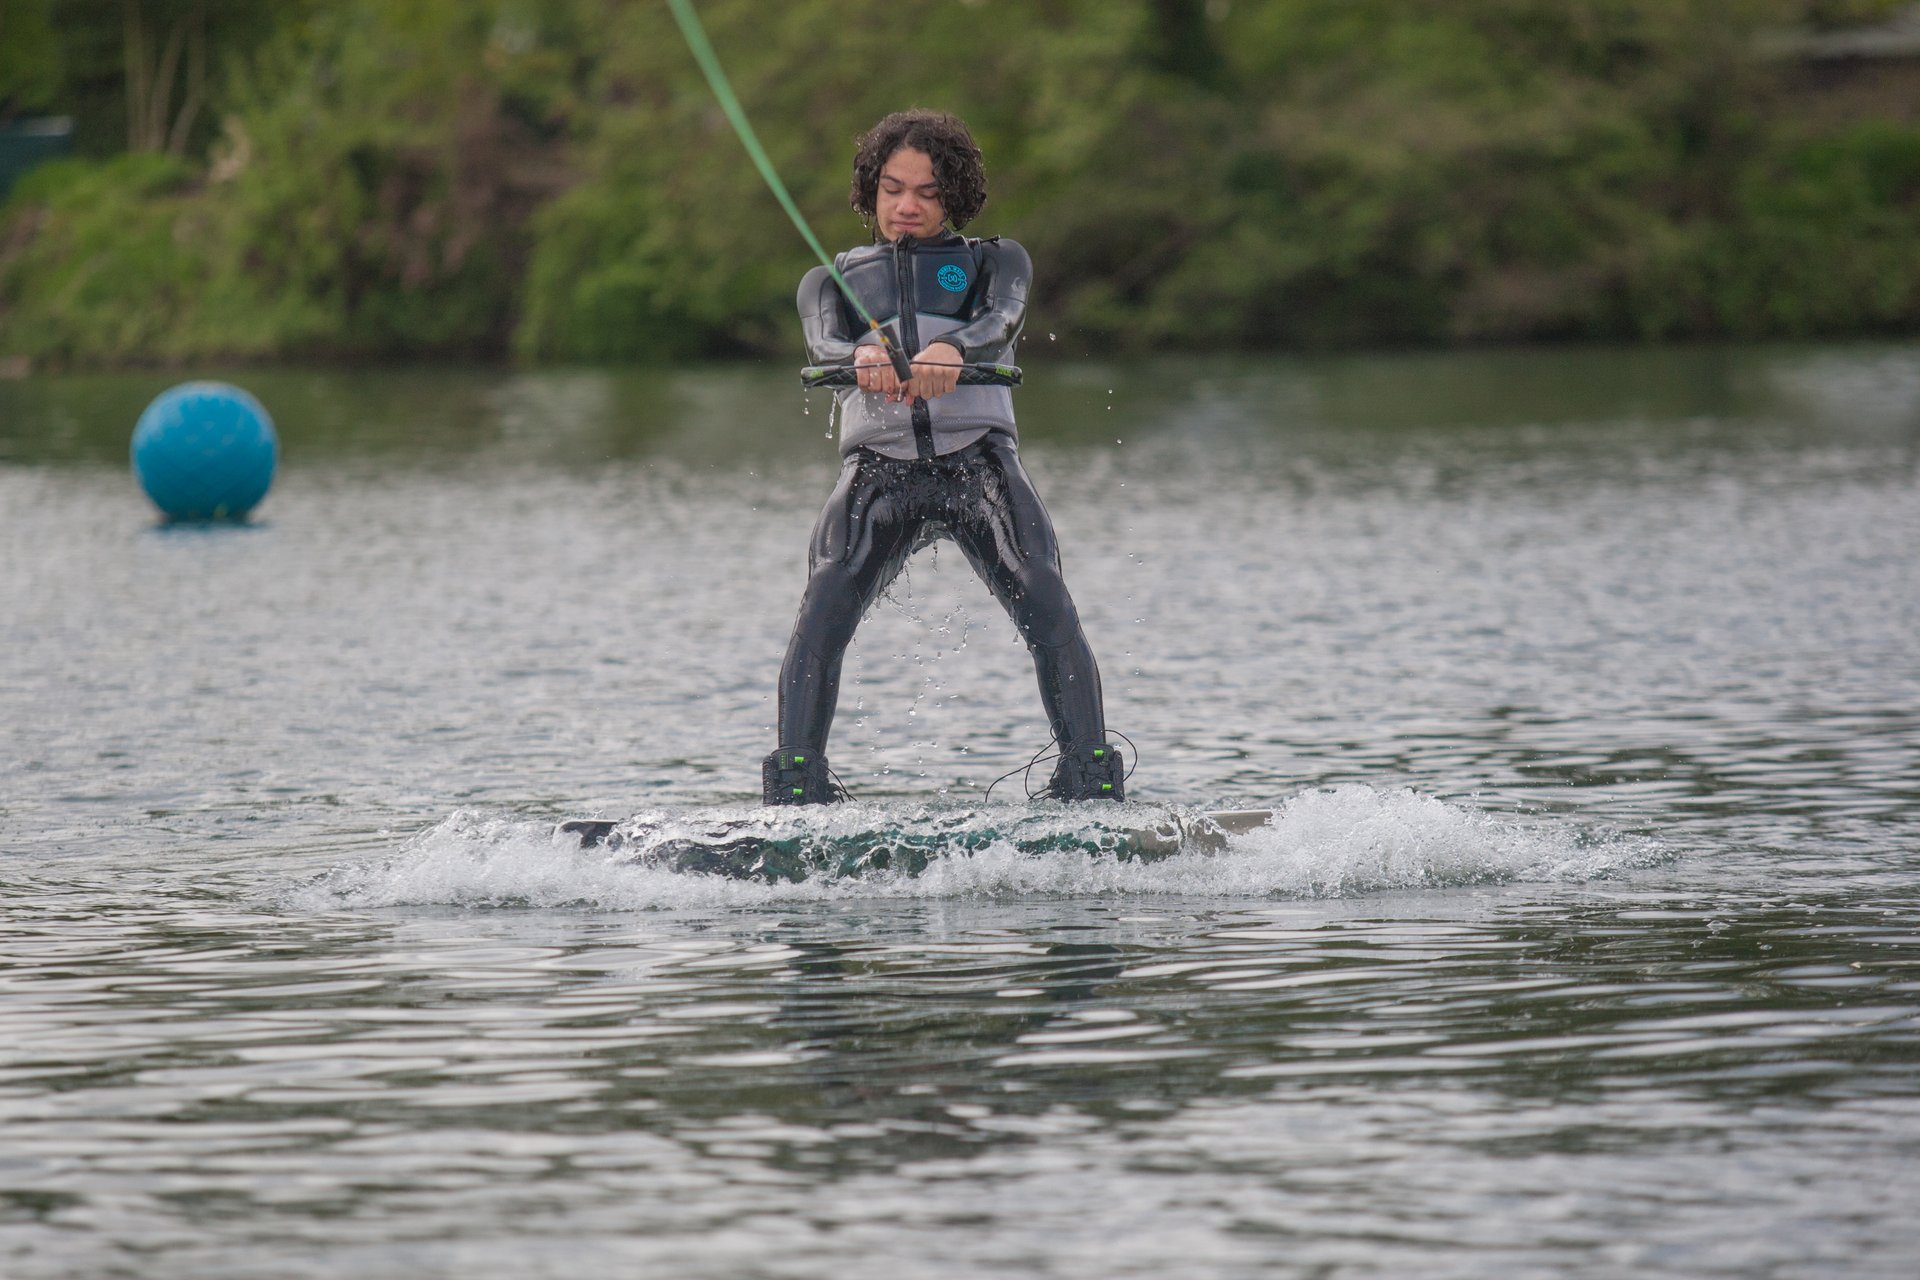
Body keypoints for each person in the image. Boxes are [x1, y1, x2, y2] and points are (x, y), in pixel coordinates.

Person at [763, 109, 1126, 805]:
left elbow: (1002, 321)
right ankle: (797, 785)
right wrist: (862, 354)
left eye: (928, 193)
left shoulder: (996, 262)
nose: (907, 206)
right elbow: (824, 345)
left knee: (1046, 594)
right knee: (825, 603)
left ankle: (1088, 777)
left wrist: (952, 349)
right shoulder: (828, 282)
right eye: (893, 188)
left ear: (953, 197)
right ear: (871, 191)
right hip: (878, 473)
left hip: (977, 462)